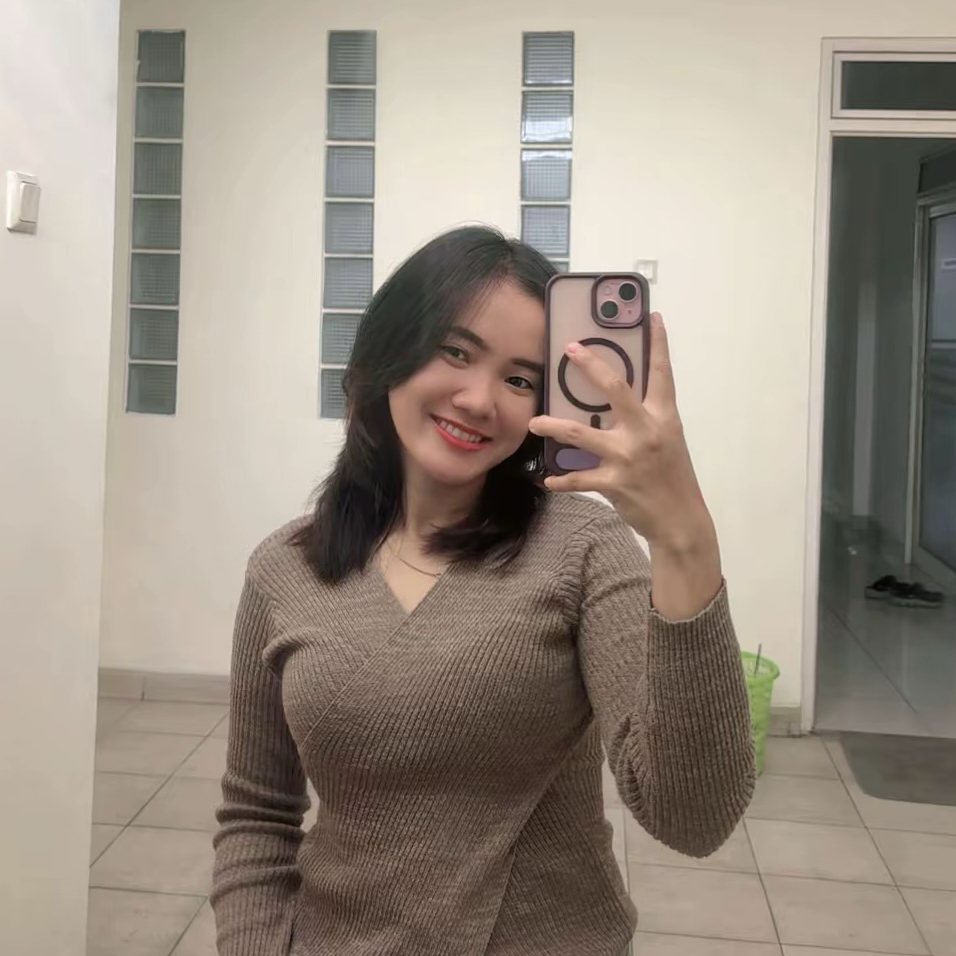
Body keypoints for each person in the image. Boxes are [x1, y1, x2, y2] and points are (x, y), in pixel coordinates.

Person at [210, 225, 756, 956]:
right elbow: (256, 816)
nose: (478, 400)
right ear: (390, 351)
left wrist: (685, 538)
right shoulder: (283, 568)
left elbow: (693, 819)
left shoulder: (582, 547)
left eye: (520, 379)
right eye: (456, 352)